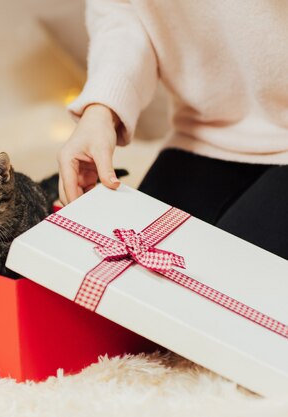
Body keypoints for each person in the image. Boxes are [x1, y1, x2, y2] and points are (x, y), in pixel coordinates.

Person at [57, 0, 288, 260]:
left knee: (238, 280)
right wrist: (100, 111)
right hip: (202, 129)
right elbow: (123, 12)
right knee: (124, 270)